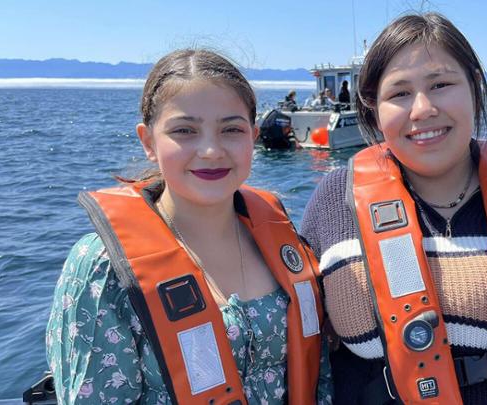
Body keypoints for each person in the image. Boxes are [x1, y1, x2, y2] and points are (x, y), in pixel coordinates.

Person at [300, 13, 487, 404]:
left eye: (441, 84)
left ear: (474, 88)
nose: (422, 109)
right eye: (400, 93)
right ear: (373, 107)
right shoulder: (334, 199)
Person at [46, 49, 333, 405]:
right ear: (148, 141)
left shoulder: (283, 239)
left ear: (253, 137)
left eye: (231, 129)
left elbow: (320, 377)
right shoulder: (103, 269)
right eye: (185, 130)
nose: (211, 150)